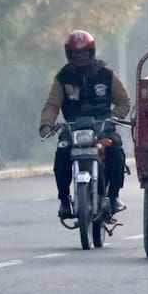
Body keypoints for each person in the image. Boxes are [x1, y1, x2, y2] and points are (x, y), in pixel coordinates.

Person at [39, 30, 131, 219]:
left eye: (84, 53)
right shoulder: (63, 78)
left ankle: (113, 196)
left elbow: (124, 102)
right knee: (62, 155)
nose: (81, 57)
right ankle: (64, 201)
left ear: (92, 52)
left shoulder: (107, 75)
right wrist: (47, 124)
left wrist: (113, 116)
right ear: (69, 54)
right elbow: (52, 104)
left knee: (116, 152)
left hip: (103, 127)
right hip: (73, 129)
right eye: (76, 54)